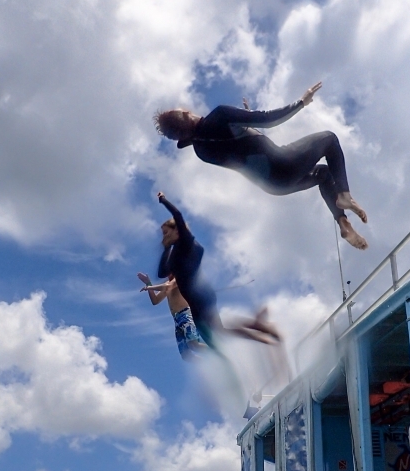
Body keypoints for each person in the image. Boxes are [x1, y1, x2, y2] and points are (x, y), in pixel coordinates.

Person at [153, 82, 369, 250]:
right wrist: (302, 102)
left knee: (322, 173)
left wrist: (244, 122)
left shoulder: (201, 151)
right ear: (185, 115)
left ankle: (342, 221)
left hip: (274, 185)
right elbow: (267, 120)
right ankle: (344, 196)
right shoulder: (220, 115)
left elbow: (244, 149)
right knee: (329, 139)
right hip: (283, 163)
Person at [149, 192, 281, 350]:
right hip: (194, 303)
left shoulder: (186, 243)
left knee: (216, 333)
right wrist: (165, 248)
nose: (163, 236)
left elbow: (177, 214)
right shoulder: (174, 255)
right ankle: (255, 328)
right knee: (217, 336)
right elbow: (161, 273)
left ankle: (256, 327)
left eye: (165, 232)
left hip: (202, 296)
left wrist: (163, 200)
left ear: (176, 231)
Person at [137, 271, 207, 361]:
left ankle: (217, 353)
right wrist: (148, 283)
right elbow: (155, 300)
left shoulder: (177, 279)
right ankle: (211, 365)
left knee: (194, 344)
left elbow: (167, 287)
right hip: (177, 320)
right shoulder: (167, 284)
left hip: (185, 315)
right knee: (186, 356)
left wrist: (149, 287)